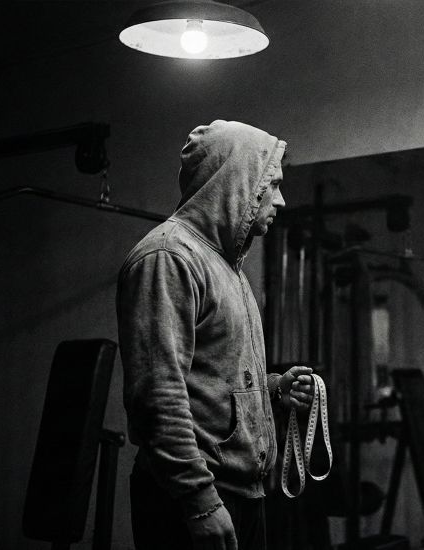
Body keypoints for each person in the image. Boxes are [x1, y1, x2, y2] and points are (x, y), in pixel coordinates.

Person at [116, 120, 316, 550]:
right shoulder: (168, 257)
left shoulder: (226, 267)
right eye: (272, 184)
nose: (281, 199)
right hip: (193, 497)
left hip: (239, 492)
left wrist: (273, 390)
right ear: (239, 181)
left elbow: (210, 381)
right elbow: (158, 397)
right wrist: (200, 502)